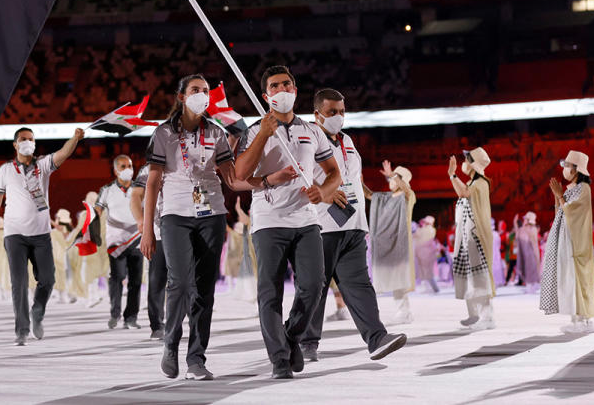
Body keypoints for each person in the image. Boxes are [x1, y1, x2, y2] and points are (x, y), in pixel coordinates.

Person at [143, 73, 262, 381]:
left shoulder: (217, 132)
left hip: (212, 215)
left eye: (206, 91)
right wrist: (147, 229)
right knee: (180, 282)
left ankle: (196, 358)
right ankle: (171, 343)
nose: (202, 95)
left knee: (204, 291)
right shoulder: (163, 134)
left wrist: (268, 180)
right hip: (175, 215)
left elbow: (232, 179)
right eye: (195, 90)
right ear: (181, 96)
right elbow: (153, 182)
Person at [233, 67, 343, 380]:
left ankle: (290, 336)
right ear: (266, 96)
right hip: (269, 220)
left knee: (313, 285)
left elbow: (335, 173)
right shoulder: (255, 130)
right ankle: (279, 360)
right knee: (270, 293)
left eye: (286, 84)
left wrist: (322, 191)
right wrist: (265, 135)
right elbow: (240, 174)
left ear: (295, 89)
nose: (282, 89)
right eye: (274, 86)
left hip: (306, 220)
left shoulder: (312, 130)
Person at [299, 88, 406, 364]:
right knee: (315, 287)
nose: (338, 117)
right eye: (332, 112)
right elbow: (299, 178)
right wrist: (324, 190)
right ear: (317, 114)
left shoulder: (348, 141)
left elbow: (354, 179)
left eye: (342, 112)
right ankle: (306, 341)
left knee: (359, 284)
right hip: (322, 224)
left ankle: (376, 338)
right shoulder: (307, 141)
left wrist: (373, 198)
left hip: (354, 224)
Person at [0, 127, 85, 346]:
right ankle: (22, 329)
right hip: (14, 234)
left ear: (35, 143)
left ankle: (37, 311)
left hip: (41, 234)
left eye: (31, 139)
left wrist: (74, 138)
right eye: (23, 139)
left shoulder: (43, 166)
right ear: (15, 145)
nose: (27, 142)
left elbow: (63, 153)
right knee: (19, 283)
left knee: (47, 280)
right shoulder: (5, 171)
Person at [540, 151, 594, 333]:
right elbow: (561, 212)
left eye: (568, 165)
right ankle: (576, 319)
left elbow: (573, 212)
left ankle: (583, 321)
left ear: (577, 169)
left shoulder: (583, 189)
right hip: (566, 239)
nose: (565, 168)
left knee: (576, 277)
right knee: (568, 277)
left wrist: (560, 195)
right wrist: (558, 196)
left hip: (575, 241)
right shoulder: (572, 188)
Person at [448, 147, 496, 331]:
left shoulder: (480, 183)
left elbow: (464, 193)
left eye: (466, 160)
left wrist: (452, 175)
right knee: (470, 276)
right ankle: (474, 314)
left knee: (479, 276)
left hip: (476, 237)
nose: (463, 164)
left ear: (474, 165)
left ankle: (487, 316)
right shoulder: (472, 182)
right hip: (467, 236)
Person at [97, 155, 144, 330]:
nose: (128, 169)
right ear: (116, 170)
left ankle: (130, 318)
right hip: (116, 242)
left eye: (130, 165)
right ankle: (114, 314)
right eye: (123, 166)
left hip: (136, 240)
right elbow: (97, 212)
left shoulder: (139, 190)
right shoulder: (107, 190)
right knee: (116, 278)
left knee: (136, 281)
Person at [367, 160, 417, 325]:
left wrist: (392, 175)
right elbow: (370, 196)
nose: (391, 181)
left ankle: (404, 311)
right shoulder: (386, 197)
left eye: (395, 177)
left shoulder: (407, 195)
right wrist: (358, 182)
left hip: (401, 243)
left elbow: (406, 189)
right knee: (395, 278)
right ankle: (404, 311)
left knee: (400, 277)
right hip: (387, 243)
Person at [131, 164, 166, 340]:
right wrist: (141, 221)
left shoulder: (188, 158)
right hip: (159, 231)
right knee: (157, 279)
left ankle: (191, 320)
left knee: (187, 279)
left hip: (186, 229)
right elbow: (136, 196)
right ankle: (157, 325)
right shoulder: (148, 169)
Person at [414, 216, 441, 294]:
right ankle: (431, 288)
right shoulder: (431, 229)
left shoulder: (425, 230)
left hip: (425, 253)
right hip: (427, 253)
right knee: (427, 272)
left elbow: (416, 235)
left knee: (427, 272)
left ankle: (434, 288)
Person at [516, 211, 541, 292]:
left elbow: (534, 243)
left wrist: (536, 255)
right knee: (527, 268)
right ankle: (529, 285)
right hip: (525, 252)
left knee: (531, 269)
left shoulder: (533, 229)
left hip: (531, 253)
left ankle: (532, 286)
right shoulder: (523, 229)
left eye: (526, 219)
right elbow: (518, 235)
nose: (524, 220)